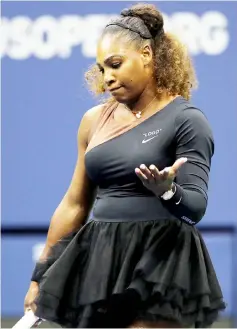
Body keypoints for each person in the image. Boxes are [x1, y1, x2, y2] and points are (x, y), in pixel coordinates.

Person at [24, 3, 226, 328]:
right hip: (100, 260)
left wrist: (169, 192)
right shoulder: (93, 121)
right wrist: (41, 275)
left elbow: (194, 209)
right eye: (102, 69)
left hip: (162, 264)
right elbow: (75, 203)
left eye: (116, 64)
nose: (108, 78)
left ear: (147, 54)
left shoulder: (187, 121)